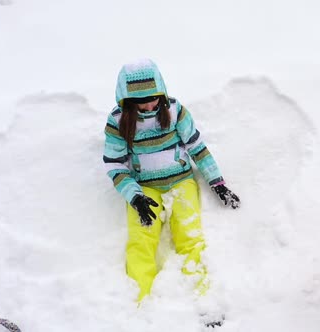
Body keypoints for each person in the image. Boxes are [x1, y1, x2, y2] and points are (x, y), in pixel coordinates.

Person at [103, 59, 240, 303]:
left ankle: (203, 296)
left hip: (181, 182)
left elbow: (197, 147)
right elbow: (115, 164)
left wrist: (217, 183)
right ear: (126, 100)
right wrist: (135, 196)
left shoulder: (175, 111)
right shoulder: (118, 122)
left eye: (153, 97)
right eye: (139, 101)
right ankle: (139, 301)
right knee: (141, 239)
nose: (147, 105)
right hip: (144, 188)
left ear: (162, 91)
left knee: (190, 236)